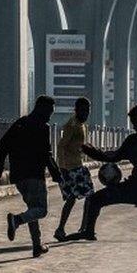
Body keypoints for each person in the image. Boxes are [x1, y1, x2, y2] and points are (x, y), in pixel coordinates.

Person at [0, 96, 62, 258]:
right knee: (41, 210)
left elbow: (3, 145)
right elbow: (47, 154)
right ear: (41, 109)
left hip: (18, 176)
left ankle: (37, 245)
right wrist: (57, 174)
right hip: (34, 175)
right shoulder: (42, 127)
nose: (50, 115)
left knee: (33, 208)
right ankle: (16, 220)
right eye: (49, 111)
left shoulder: (20, 123)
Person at [79, 104, 137, 240]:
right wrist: (92, 152)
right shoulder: (133, 140)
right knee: (95, 199)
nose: (134, 127)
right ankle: (89, 232)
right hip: (133, 186)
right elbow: (114, 156)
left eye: (136, 123)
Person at [53, 98, 95, 241]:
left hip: (78, 165)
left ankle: (76, 227)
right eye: (83, 110)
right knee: (87, 196)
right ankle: (81, 228)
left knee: (76, 198)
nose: (86, 113)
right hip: (71, 167)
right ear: (76, 110)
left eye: (88, 110)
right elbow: (61, 146)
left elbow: (82, 145)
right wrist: (63, 168)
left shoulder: (83, 125)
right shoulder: (72, 125)